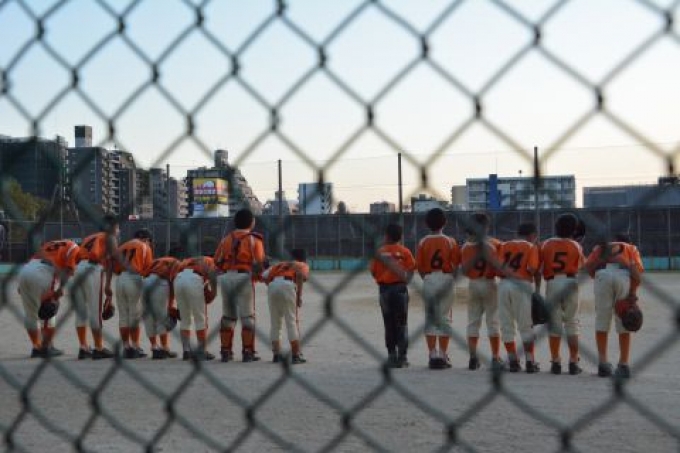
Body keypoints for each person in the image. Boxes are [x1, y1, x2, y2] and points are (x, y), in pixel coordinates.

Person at [585, 234, 643, 378]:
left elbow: (588, 268)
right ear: (628, 242)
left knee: (602, 320)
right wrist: (632, 295)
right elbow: (637, 275)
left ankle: (603, 364)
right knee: (625, 318)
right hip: (624, 275)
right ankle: (623, 364)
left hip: (602, 274)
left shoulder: (601, 247)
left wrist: (598, 274)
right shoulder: (631, 248)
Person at [214, 208, 266, 363]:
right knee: (247, 316)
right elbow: (259, 263)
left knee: (228, 316)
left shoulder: (226, 239)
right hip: (244, 277)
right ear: (251, 222)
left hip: (226, 277)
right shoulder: (254, 239)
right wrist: (258, 276)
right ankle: (248, 351)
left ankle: (225, 351)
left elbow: (217, 260)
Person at [17, 237, 79, 358]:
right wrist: (60, 289)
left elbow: (32, 260)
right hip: (44, 272)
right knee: (49, 307)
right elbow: (68, 269)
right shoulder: (75, 247)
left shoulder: (48, 245)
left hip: (25, 271)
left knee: (30, 313)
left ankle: (36, 347)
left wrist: (21, 285)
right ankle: (46, 347)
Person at [540, 213, 585, 375]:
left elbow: (540, 265)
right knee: (572, 322)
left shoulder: (546, 244)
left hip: (552, 283)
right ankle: (573, 361)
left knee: (554, 323)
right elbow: (582, 266)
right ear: (574, 230)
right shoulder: (576, 245)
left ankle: (555, 361)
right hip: (570, 282)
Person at [415, 208, 459, 369]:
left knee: (430, 316)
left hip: (429, 278)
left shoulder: (423, 242)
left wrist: (427, 278)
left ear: (427, 224)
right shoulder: (451, 241)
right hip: (446, 278)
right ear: (445, 222)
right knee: (445, 317)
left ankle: (432, 354)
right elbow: (456, 264)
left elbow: (419, 266)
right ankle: (443, 354)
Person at [71, 214, 119, 360]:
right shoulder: (109, 237)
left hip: (78, 269)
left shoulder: (89, 238)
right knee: (95, 311)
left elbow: (77, 257)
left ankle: (83, 347)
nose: (118, 230)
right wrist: (108, 285)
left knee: (80, 311)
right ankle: (98, 348)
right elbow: (112, 260)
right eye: (117, 227)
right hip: (93, 269)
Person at [460, 212, 504, 371]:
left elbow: (464, 271)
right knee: (493, 321)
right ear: (485, 228)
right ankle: (495, 357)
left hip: (473, 283)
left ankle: (473, 358)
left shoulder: (465, 247)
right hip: (489, 282)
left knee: (473, 321)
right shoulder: (493, 244)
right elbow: (499, 267)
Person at [497, 222, 541, 373]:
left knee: (506, 324)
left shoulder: (504, 245)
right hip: (522, 284)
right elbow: (532, 268)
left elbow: (498, 268)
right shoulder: (531, 246)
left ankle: (513, 361)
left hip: (504, 285)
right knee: (525, 325)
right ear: (532, 235)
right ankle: (530, 361)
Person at [370, 223, 416, 368]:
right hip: (400, 289)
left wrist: (382, 277)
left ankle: (391, 355)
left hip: (384, 290)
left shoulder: (380, 252)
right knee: (402, 323)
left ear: (386, 236)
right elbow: (411, 269)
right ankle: (402, 357)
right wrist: (405, 280)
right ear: (400, 236)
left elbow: (373, 271)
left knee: (388, 323)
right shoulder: (405, 251)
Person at [262, 249, 309, 364]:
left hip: (273, 286)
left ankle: (276, 355)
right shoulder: (301, 264)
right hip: (288, 285)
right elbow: (300, 275)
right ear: (302, 259)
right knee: (291, 321)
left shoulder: (278, 265)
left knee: (275, 323)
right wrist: (298, 296)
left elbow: (264, 276)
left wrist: (273, 285)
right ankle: (296, 355)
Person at [115, 228, 154, 359]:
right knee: (134, 314)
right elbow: (148, 268)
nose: (149, 243)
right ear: (146, 239)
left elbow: (115, 267)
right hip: (134, 278)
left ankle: (126, 347)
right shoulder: (144, 246)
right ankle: (136, 346)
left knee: (123, 315)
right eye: (149, 241)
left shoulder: (122, 246)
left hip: (120, 279)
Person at [174, 255, 217, 361]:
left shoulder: (188, 260)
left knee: (185, 319)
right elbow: (212, 276)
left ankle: (186, 351)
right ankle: (202, 351)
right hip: (194, 279)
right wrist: (214, 292)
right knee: (200, 319)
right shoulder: (211, 261)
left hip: (178, 279)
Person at [142, 251, 181, 359]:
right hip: (160, 283)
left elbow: (144, 273)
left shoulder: (156, 261)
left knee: (149, 316)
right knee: (161, 316)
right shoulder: (176, 262)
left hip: (145, 282)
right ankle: (164, 348)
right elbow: (172, 281)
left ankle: (154, 347)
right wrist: (170, 304)